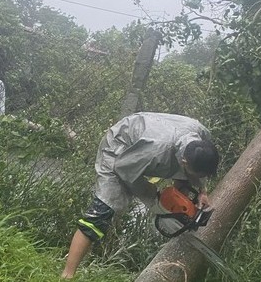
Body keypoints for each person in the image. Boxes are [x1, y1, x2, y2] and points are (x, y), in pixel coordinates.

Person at [61, 112, 220, 279]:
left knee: (185, 181)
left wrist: (202, 191)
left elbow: (198, 171)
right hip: (120, 149)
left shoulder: (201, 136)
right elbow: (124, 168)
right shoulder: (156, 150)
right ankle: (67, 275)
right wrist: (153, 197)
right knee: (102, 212)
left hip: (154, 144)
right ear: (184, 162)